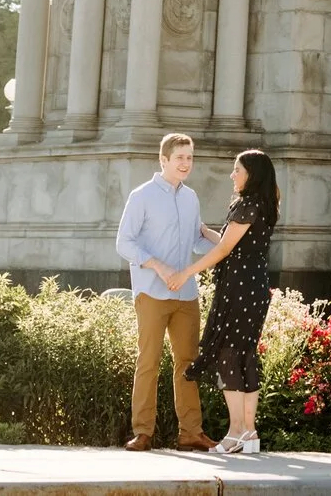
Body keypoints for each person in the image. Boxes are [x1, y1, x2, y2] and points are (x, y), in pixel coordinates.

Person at [113, 133, 218, 452]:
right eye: (180, 158)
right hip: (151, 292)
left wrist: (227, 242)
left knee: (188, 362)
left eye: (190, 157)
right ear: (164, 160)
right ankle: (143, 432)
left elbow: (196, 242)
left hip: (186, 295)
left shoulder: (191, 198)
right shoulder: (141, 196)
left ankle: (191, 433)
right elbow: (124, 243)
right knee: (149, 360)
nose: (186, 163)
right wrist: (158, 266)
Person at [175, 149, 280, 455]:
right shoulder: (263, 204)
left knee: (227, 354)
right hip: (253, 287)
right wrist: (200, 229)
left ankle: (236, 432)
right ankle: (249, 433)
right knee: (244, 354)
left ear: (252, 175)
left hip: (240, 289)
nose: (232, 175)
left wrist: (187, 272)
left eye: (238, 170)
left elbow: (223, 250)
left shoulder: (247, 205)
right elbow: (226, 240)